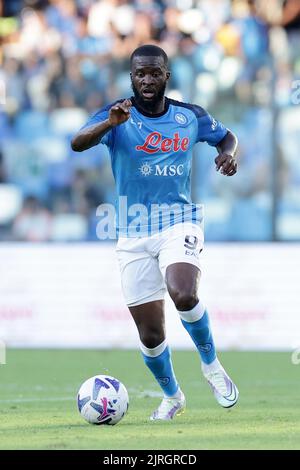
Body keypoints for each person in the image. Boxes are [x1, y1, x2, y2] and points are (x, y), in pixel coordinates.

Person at [71, 44, 239, 420]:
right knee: (150, 335)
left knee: (183, 292)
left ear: (167, 75)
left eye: (154, 72)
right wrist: (108, 126)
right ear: (131, 77)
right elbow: (78, 142)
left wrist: (228, 154)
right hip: (132, 231)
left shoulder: (189, 116)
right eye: (139, 73)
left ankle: (211, 366)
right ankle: (173, 396)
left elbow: (227, 137)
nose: (146, 79)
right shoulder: (117, 114)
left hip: (178, 221)